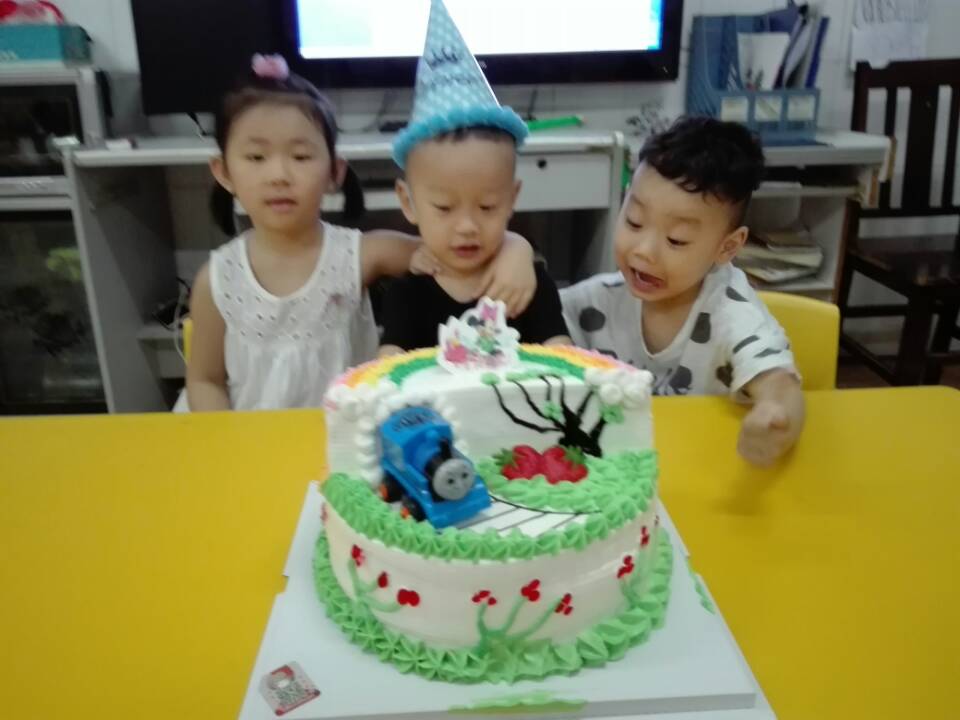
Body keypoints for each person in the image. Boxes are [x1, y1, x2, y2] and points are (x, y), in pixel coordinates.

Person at [185, 53, 536, 411]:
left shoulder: (362, 254)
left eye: (300, 156)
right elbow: (204, 380)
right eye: (256, 157)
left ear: (335, 173)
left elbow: (453, 249)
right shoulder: (216, 280)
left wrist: (516, 249)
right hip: (253, 438)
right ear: (224, 171)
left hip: (350, 435)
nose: (279, 175)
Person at [561, 117, 805, 466]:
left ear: (727, 247)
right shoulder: (597, 301)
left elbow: (779, 382)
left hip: (703, 464)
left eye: (676, 240)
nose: (644, 250)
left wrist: (774, 415)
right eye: (634, 221)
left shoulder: (732, 314)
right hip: (619, 467)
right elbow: (531, 318)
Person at [378, 0, 569, 354]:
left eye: (487, 206)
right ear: (408, 202)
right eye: (444, 207)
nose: (467, 226)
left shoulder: (530, 284)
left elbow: (562, 358)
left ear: (512, 199)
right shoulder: (407, 293)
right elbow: (389, 367)